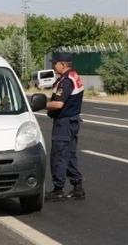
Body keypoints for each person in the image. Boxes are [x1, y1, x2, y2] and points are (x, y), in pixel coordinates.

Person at [45, 52, 85, 200]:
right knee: (69, 155)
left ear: (62, 64)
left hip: (64, 123)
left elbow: (58, 104)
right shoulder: (73, 76)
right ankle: (77, 186)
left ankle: (58, 190)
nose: (53, 65)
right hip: (72, 121)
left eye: (54, 63)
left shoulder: (66, 81)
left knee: (59, 155)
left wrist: (41, 105)